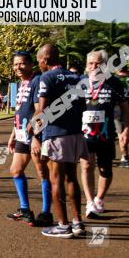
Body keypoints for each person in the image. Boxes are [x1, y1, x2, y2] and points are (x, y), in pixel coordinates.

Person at [33, 44, 87, 238]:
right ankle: (78, 222)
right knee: (72, 177)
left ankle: (63, 226)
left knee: (57, 180)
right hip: (76, 133)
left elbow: (42, 110)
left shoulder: (46, 77)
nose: (39, 64)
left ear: (45, 59)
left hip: (56, 133)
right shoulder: (76, 77)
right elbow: (82, 105)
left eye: (39, 61)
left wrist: (33, 128)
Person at [79, 50, 129, 219]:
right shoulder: (81, 82)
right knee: (86, 166)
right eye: (91, 63)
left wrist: (126, 129)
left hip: (106, 134)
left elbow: (125, 108)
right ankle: (89, 201)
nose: (94, 67)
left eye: (98, 63)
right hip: (85, 133)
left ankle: (99, 198)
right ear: (87, 65)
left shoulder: (114, 82)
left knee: (105, 169)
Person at [5, 50, 52, 226]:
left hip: (35, 137)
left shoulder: (36, 81)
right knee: (15, 170)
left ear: (31, 64)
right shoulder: (22, 83)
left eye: (22, 63)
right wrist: (12, 136)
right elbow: (20, 112)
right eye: (15, 64)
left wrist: (36, 138)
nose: (18, 67)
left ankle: (47, 212)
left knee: (42, 172)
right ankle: (25, 210)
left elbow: (39, 111)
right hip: (22, 135)